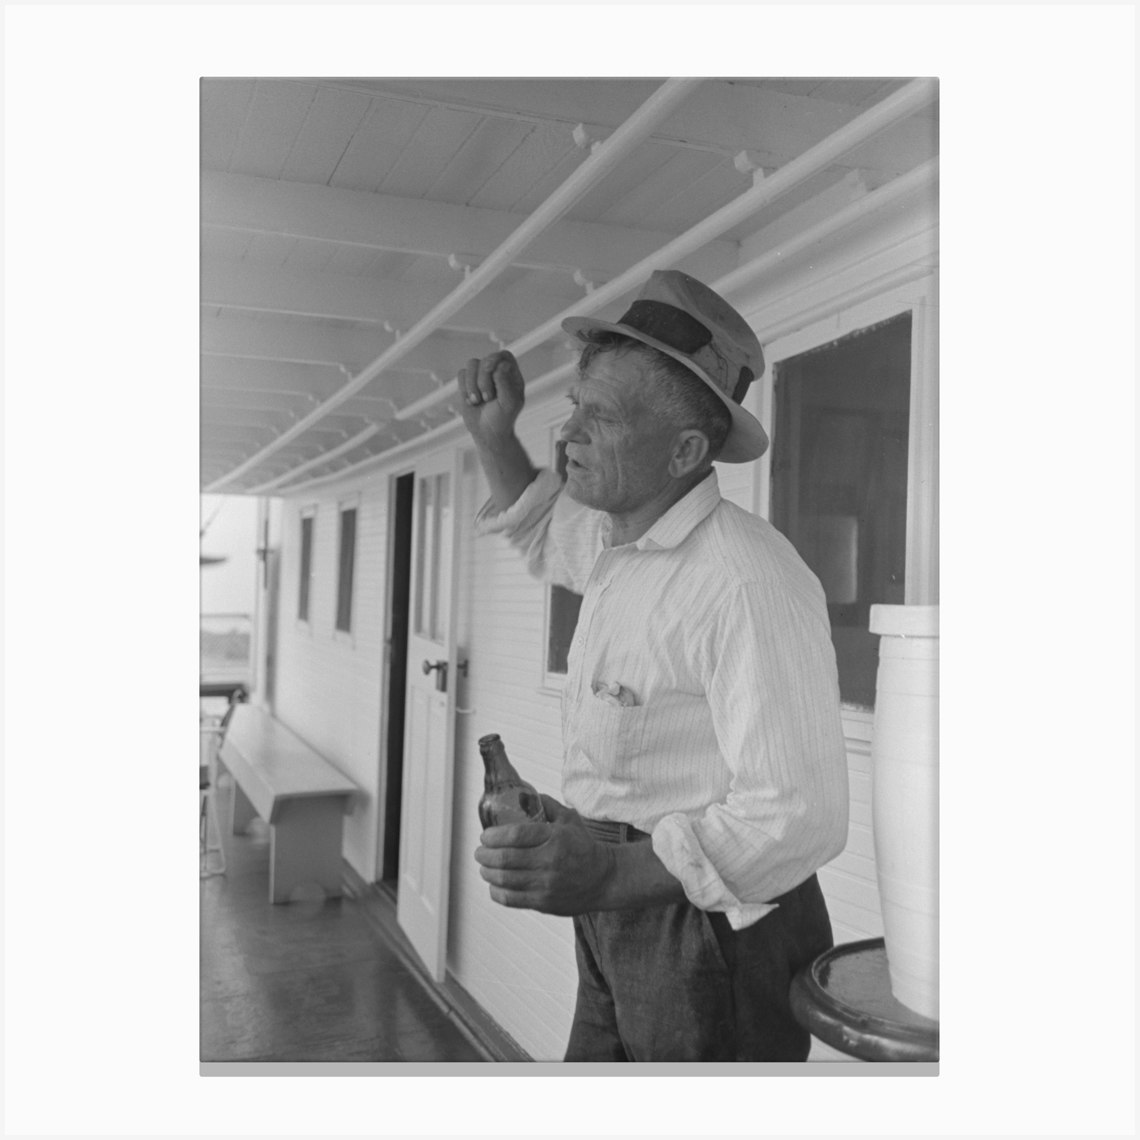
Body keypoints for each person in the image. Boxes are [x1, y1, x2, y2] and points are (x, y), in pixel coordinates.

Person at [459, 269, 849, 1062]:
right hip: (622, 910)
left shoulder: (745, 581)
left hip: (713, 939)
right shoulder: (622, 543)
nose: (567, 435)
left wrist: (603, 875)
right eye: (574, 406)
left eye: (599, 417)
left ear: (685, 449)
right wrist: (495, 438)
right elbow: (543, 528)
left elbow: (796, 815)